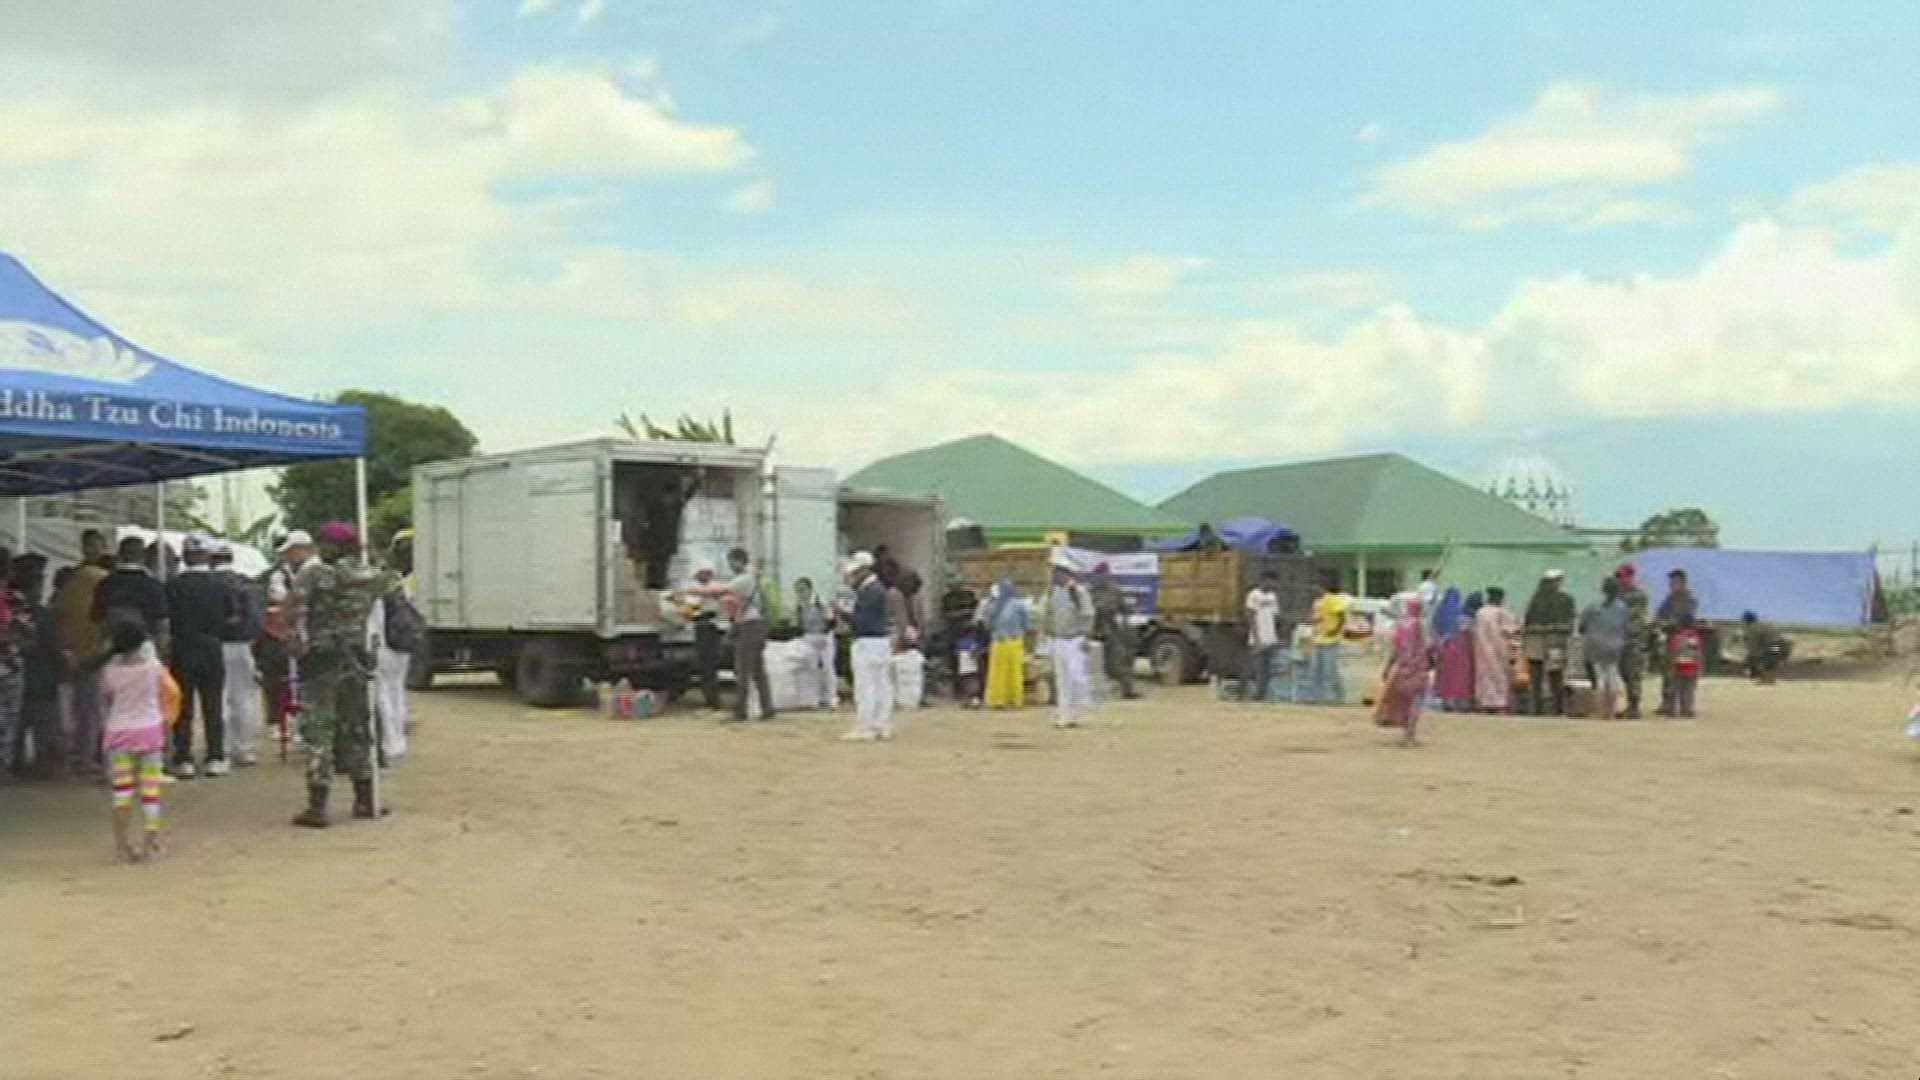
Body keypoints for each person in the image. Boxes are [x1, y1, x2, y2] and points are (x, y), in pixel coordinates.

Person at [289, 522, 404, 828]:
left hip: (320, 660)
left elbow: (291, 610)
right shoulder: (369, 575)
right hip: (355, 660)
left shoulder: (313, 574)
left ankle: (318, 806)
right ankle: (365, 798)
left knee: (319, 732)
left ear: (330, 547)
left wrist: (297, 643)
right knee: (358, 729)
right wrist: (372, 556)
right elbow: (395, 585)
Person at [98, 621, 175, 862]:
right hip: (150, 730)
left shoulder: (109, 670)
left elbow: (107, 696)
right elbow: (168, 692)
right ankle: (151, 844)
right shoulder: (153, 667)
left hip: (119, 731)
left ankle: (121, 846)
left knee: (122, 790)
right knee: (151, 790)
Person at [164, 536, 232, 779]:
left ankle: (184, 758)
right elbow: (229, 616)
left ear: (184, 557)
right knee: (213, 703)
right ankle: (215, 756)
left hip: (182, 646)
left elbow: (166, 615)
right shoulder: (221, 584)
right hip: (212, 646)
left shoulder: (173, 585)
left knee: (183, 704)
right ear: (207, 556)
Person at [55, 529, 112, 775]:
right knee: (88, 706)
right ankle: (88, 754)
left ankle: (91, 753)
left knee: (90, 706)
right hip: (85, 649)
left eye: (96, 545)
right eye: (89, 545)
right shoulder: (79, 577)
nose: (92, 549)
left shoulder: (100, 577)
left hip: (97, 648)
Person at [210, 544, 265, 767]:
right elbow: (257, 618)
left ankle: (221, 748)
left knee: (218, 698)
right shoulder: (245, 583)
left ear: (212, 560)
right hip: (242, 645)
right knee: (243, 698)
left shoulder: (209, 583)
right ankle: (244, 748)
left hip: (214, 645)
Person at [261, 531, 316, 751]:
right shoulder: (280, 574)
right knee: (279, 678)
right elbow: (278, 596)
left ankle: (306, 726)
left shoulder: (315, 570)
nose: (287, 556)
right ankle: (280, 720)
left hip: (311, 634)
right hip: (286, 634)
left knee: (308, 681)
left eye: (290, 551)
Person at [14, 554, 62, 777]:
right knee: (42, 721)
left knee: (19, 720)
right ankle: (43, 762)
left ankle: (17, 760)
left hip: (20, 674)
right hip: (41, 675)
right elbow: (53, 644)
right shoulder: (42, 614)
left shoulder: (12, 610)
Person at [842, 552, 896, 741]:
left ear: (864, 570)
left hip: (867, 642)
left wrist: (843, 614)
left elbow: (862, 621)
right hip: (880, 642)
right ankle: (881, 724)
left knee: (866, 686)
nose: (853, 577)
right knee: (881, 685)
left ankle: (866, 726)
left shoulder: (869, 591)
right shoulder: (878, 589)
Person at [1042, 558, 1097, 729]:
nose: (1055, 576)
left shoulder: (1078, 592)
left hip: (1075, 640)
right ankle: (1063, 715)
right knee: (1061, 680)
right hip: (1058, 639)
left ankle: (1075, 714)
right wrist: (1047, 634)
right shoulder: (1052, 592)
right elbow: (1047, 614)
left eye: (1059, 572)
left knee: (1075, 678)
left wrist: (1086, 637)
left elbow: (1088, 615)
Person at [1374, 596, 1431, 747]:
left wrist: (1388, 667)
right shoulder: (1421, 624)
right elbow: (1427, 645)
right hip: (1418, 668)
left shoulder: (1400, 625)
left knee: (1404, 701)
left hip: (1402, 668)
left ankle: (1407, 733)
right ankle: (1409, 735)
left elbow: (1394, 649)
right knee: (1415, 702)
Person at [92, 535, 169, 648]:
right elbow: (162, 624)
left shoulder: (105, 583)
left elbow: (98, 620)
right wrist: (162, 649)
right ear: (143, 555)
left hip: (113, 643)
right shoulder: (153, 585)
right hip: (144, 645)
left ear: (119, 555)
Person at [1522, 570, 1576, 716]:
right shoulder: (1566, 599)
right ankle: (1558, 708)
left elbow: (1527, 622)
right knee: (1556, 675)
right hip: (1555, 642)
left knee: (1536, 677)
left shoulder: (1535, 599)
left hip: (1535, 641)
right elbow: (1570, 623)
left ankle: (1536, 708)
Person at [1579, 577, 1632, 721]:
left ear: (1603, 590)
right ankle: (1612, 710)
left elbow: (1581, 627)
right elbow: (1627, 628)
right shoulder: (1623, 608)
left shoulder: (1593, 606)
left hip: (1595, 646)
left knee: (1600, 678)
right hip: (1615, 646)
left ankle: (1602, 710)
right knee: (1612, 675)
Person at [1091, 564, 1140, 701]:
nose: (1104, 577)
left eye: (1106, 574)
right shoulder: (1091, 592)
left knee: (1119, 659)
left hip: (1111, 629)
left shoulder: (1115, 591)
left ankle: (1128, 690)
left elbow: (1123, 609)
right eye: (1101, 574)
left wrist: (1129, 613)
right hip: (1094, 630)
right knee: (1094, 663)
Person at [979, 578, 1030, 710]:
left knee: (1007, 672)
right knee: (1007, 672)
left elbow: (987, 624)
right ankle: (1007, 700)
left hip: (1006, 641)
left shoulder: (1012, 604)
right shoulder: (999, 605)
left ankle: (1006, 700)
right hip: (1007, 641)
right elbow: (1026, 623)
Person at [1656, 569, 1699, 716]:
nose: (1672, 585)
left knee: (1687, 673)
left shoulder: (1689, 600)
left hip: (1686, 639)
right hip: (1671, 639)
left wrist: (1671, 623)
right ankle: (1669, 704)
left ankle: (1686, 706)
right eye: (1671, 582)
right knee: (1670, 672)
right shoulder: (1669, 599)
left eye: (1675, 582)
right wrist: (1662, 624)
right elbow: (1660, 615)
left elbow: (1688, 618)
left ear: (1683, 583)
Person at [684, 563, 725, 712]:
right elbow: (689, 611)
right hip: (701, 627)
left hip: (711, 628)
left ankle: (714, 700)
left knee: (710, 665)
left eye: (705, 573)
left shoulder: (715, 587)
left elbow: (713, 594)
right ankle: (710, 699)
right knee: (705, 666)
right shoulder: (694, 590)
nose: (702, 576)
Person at [792, 577, 838, 709]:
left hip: (824, 636)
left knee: (828, 668)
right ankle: (816, 697)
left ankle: (832, 697)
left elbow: (830, 618)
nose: (801, 593)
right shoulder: (800, 605)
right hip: (809, 636)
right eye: (798, 590)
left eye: (803, 589)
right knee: (812, 668)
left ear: (810, 589)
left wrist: (826, 634)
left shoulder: (819, 601)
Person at [1471, 587, 1518, 713]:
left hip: (1482, 649)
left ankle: (1485, 702)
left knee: (1484, 676)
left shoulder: (1480, 612)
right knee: (1499, 675)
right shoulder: (1502, 613)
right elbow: (1510, 630)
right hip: (1499, 648)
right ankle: (1499, 703)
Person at [1615, 564, 1651, 719]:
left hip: (1634, 640)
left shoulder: (1638, 595)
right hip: (1619, 640)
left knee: (1633, 674)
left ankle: (1634, 706)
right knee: (1623, 672)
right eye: (1618, 577)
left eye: (1622, 576)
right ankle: (1629, 704)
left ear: (1631, 576)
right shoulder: (1617, 595)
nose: (1620, 580)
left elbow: (1634, 616)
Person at [1306, 575, 1349, 705]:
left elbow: (1342, 616)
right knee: (1315, 670)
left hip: (1331, 639)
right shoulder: (1317, 602)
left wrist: (1336, 629)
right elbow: (1316, 618)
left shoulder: (1333, 599)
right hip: (1318, 638)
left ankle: (1338, 696)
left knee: (1330, 670)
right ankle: (1316, 697)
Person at [1432, 588, 1475, 712]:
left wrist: (1438, 645)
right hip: (1460, 648)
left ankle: (1445, 700)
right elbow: (1466, 630)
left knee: (1445, 675)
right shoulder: (1461, 612)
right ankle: (1459, 701)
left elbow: (1434, 629)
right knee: (1460, 676)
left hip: (1444, 647)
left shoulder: (1440, 611)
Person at [1244, 571, 1283, 702]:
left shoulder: (1273, 596)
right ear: (1264, 580)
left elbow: (1275, 617)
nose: (1273, 584)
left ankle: (1266, 693)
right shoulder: (1253, 595)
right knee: (1258, 667)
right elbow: (1251, 617)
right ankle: (1256, 694)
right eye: (1271, 581)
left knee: (1269, 668)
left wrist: (1278, 635)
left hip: (1271, 637)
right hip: (1259, 637)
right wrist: (1256, 638)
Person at [1663, 612, 1704, 719]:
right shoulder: (1695, 636)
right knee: (1688, 690)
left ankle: (1672, 710)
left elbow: (1673, 652)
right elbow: (1698, 653)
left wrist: (1670, 666)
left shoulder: (1678, 636)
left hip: (1678, 667)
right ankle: (1686, 710)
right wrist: (1700, 668)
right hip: (1692, 667)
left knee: (1674, 689)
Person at [1743, 611, 1789, 685]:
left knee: (1759, 661)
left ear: (1746, 620)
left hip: (1771, 645)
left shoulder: (1752, 628)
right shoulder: (1764, 625)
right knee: (1772, 661)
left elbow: (1753, 645)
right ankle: (1770, 679)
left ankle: (1765, 679)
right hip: (1781, 645)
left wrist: (1749, 659)